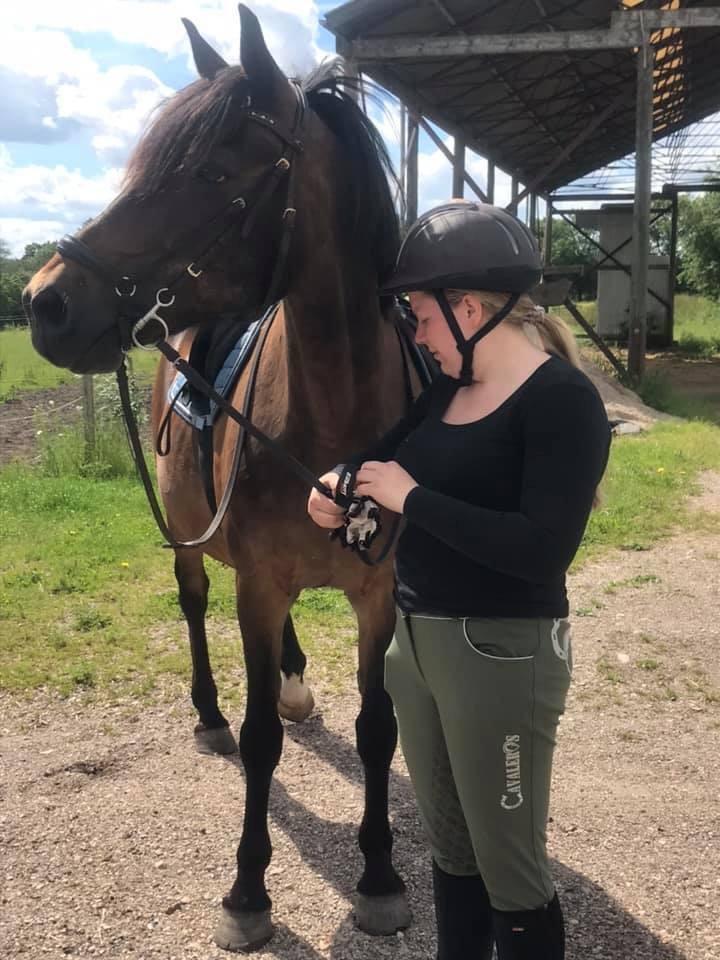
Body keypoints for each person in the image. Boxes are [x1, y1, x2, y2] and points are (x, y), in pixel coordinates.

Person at [307, 200, 611, 960]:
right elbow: (379, 457)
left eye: (421, 316)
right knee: (450, 847)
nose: (416, 334)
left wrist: (412, 499)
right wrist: (336, 483)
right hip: (415, 645)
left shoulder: (562, 404)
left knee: (511, 867)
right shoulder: (444, 393)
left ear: (469, 307)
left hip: (500, 653)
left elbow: (541, 550)